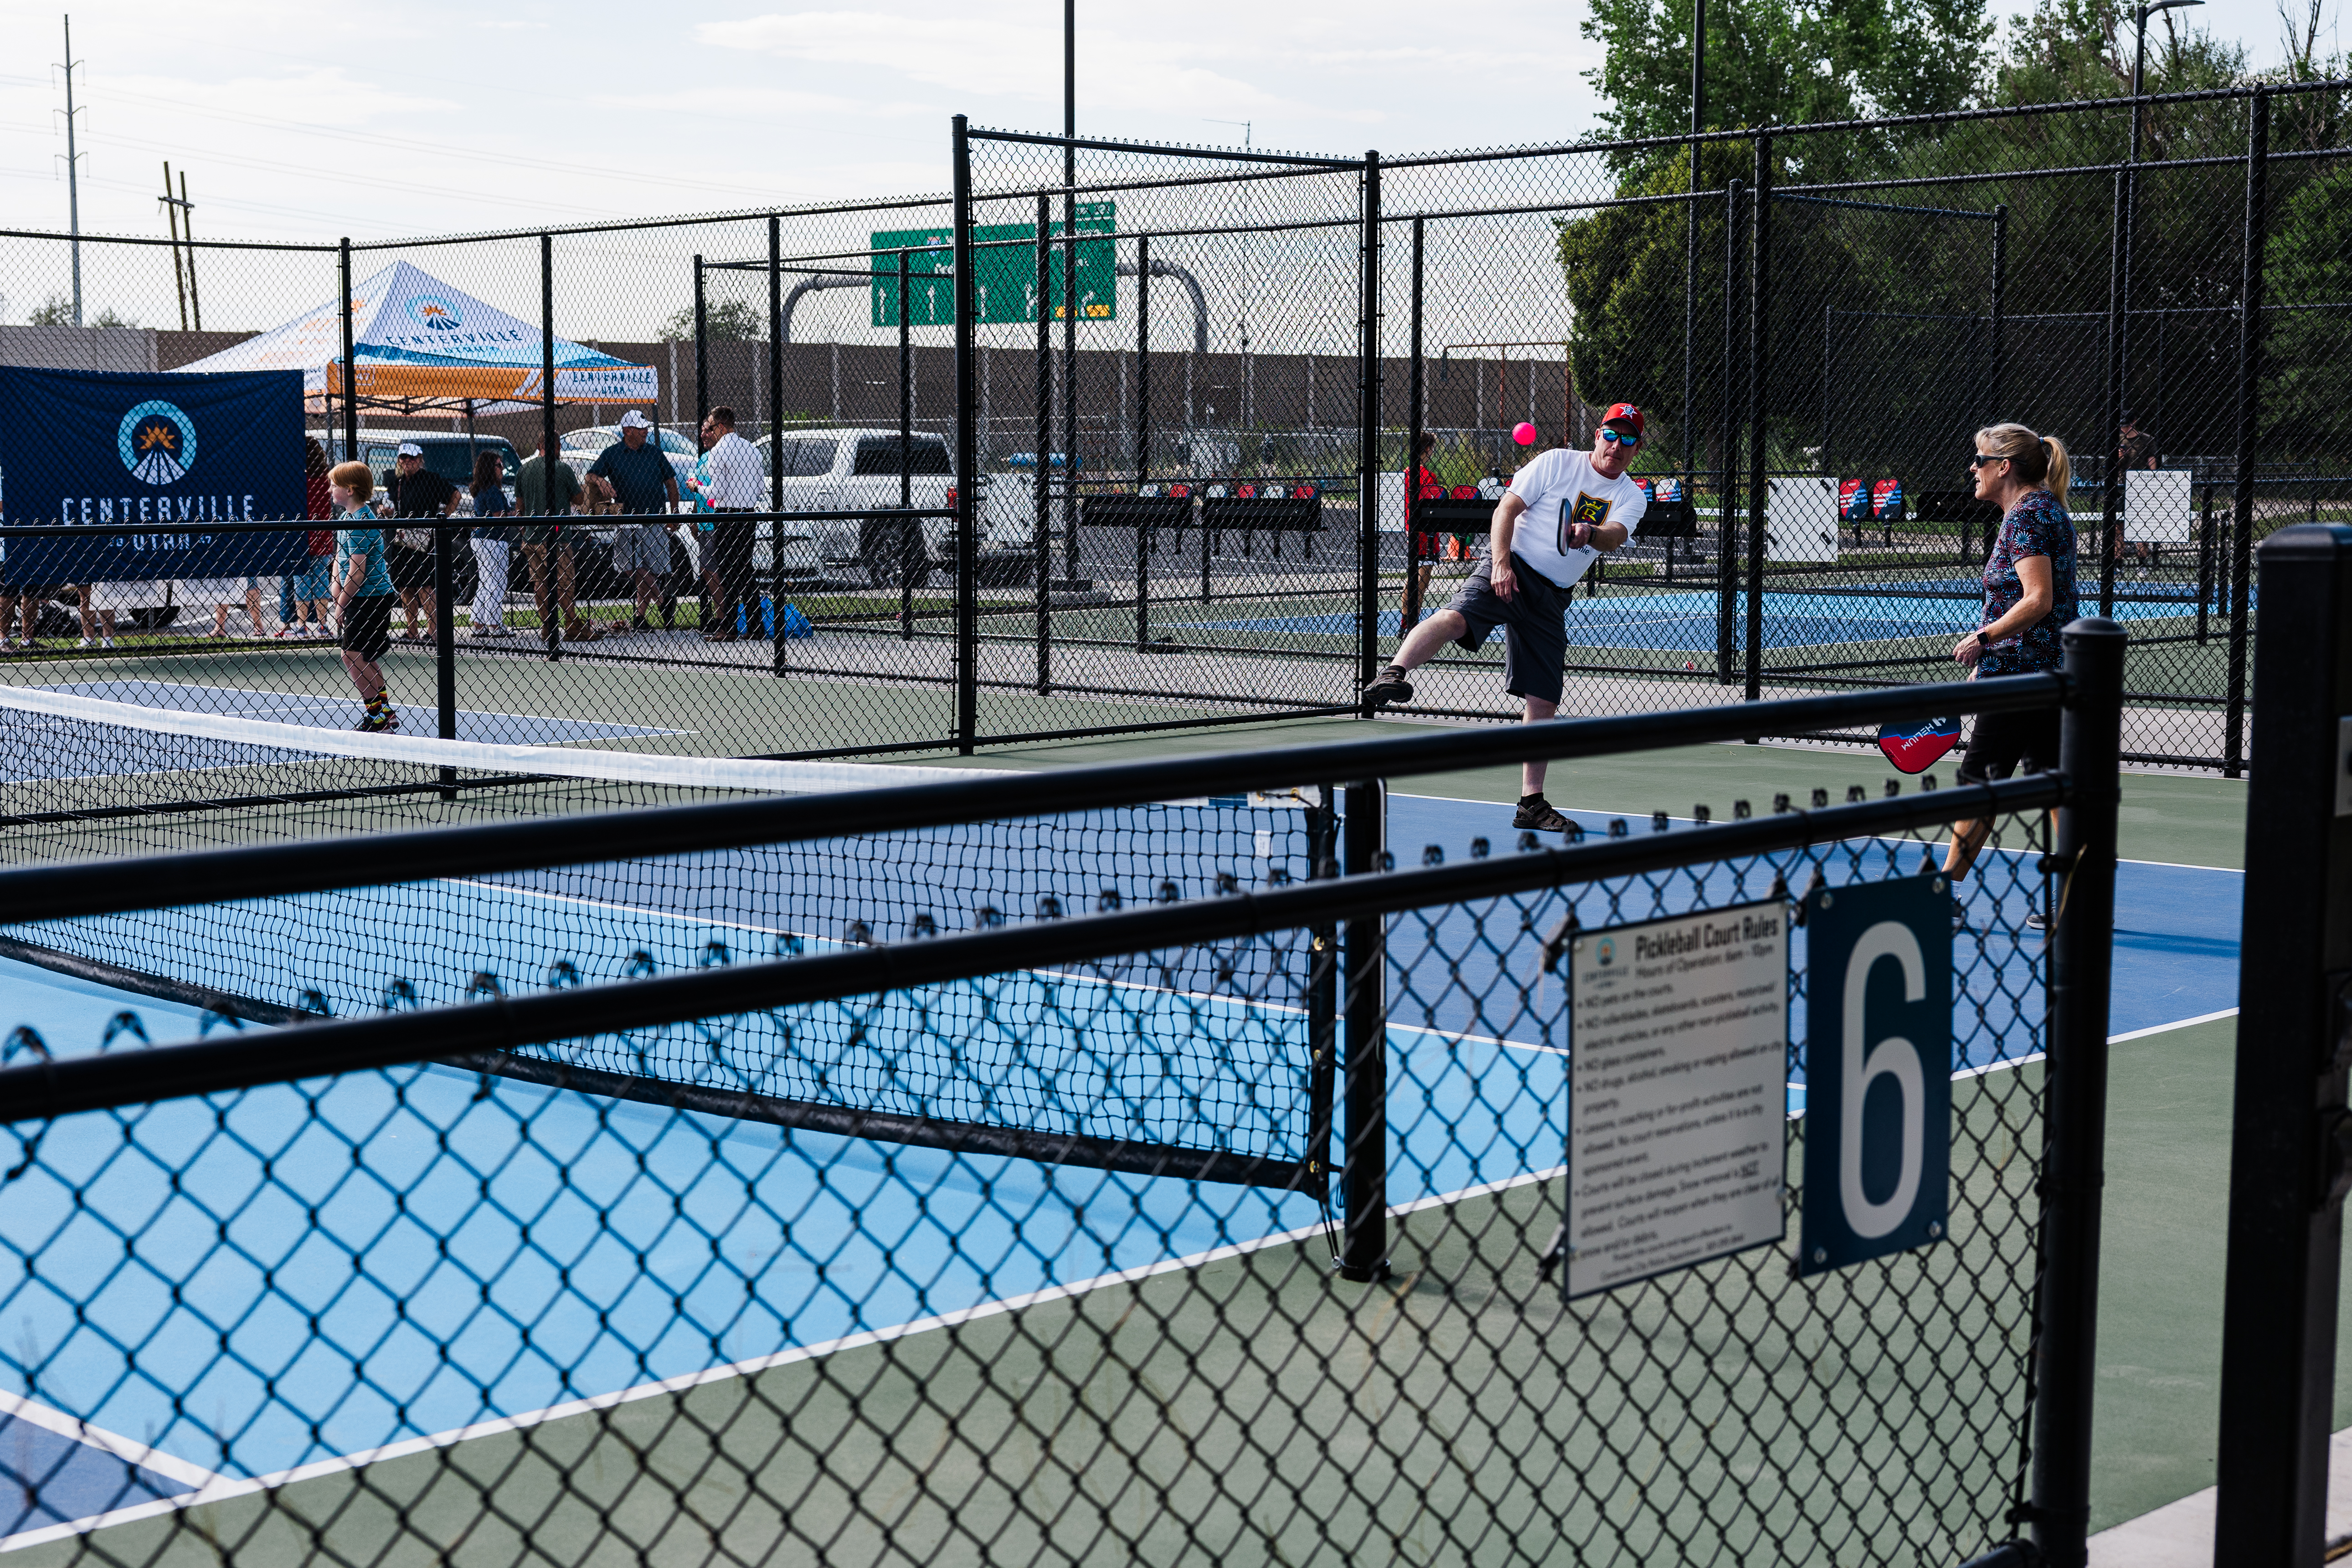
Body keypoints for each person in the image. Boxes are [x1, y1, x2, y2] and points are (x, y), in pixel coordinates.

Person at [1360, 402, 1652, 833]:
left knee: (1544, 700)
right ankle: (1393, 672)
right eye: (1611, 434)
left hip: (1551, 598)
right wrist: (1499, 563)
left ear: (1637, 447)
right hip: (1510, 566)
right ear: (1597, 435)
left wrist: (1591, 532)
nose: (1616, 445)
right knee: (1457, 617)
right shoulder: (1554, 462)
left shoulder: (1630, 495)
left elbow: (1616, 535)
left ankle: (1530, 805)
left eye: (1627, 439)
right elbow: (1505, 511)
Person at [1942, 422, 2079, 932]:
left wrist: (1984, 639)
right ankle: (2077, 894)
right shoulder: (2047, 511)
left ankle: (1941, 892)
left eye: (1979, 460)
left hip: (2020, 675)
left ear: (2004, 468)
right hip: (2047, 670)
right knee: (2054, 783)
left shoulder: (2025, 518)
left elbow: (2037, 599)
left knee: (1979, 781)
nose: (1971, 470)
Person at [585, 411, 682, 632]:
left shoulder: (655, 453)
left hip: (654, 518)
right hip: (626, 520)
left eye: (646, 428)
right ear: (627, 431)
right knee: (630, 566)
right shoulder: (612, 454)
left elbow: (671, 483)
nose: (646, 431)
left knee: (651, 568)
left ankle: (640, 616)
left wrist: (675, 513)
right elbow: (590, 476)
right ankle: (662, 601)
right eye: (641, 429)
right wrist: (601, 481)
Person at [328, 460, 400, 732]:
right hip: (360, 598)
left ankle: (377, 717)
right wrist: (336, 588)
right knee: (363, 657)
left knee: (352, 656)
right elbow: (340, 559)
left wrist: (340, 605)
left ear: (349, 490)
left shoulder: (362, 522)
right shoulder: (347, 519)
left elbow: (357, 572)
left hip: (371, 599)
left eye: (334, 485)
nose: (330, 490)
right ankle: (385, 713)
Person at [515, 435, 602, 647]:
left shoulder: (523, 470)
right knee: (565, 584)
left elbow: (520, 506)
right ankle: (572, 626)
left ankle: (548, 627)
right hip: (557, 537)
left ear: (538, 446)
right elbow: (579, 499)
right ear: (558, 447)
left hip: (532, 535)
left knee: (540, 583)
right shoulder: (562, 469)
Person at [693, 406, 764, 643]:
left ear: (721, 427)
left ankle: (729, 627)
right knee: (744, 569)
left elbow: (718, 491)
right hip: (749, 514)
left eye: (711, 427)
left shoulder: (718, 453)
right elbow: (760, 488)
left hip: (727, 515)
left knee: (728, 571)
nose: (709, 432)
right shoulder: (752, 450)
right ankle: (756, 626)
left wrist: (697, 488)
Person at [380, 442, 457, 643]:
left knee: (425, 586)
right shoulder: (398, 483)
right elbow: (393, 509)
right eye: (403, 458)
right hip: (403, 539)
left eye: (412, 458)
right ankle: (412, 630)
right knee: (405, 585)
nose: (407, 461)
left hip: (424, 540)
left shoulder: (431, 479)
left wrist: (443, 517)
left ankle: (434, 630)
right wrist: (388, 513)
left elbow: (455, 495)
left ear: (420, 460)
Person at [467, 451, 518, 638]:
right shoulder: (493, 490)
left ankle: (479, 623)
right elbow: (498, 516)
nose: (502, 469)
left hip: (480, 539)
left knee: (486, 582)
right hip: (493, 541)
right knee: (497, 582)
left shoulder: (481, 489)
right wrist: (513, 515)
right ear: (490, 468)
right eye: (499, 465)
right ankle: (495, 624)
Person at [1403, 432, 1446, 609]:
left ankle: (1407, 620)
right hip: (1426, 532)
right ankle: (1410, 620)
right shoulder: (1428, 476)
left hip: (1411, 528)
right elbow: (1433, 507)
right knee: (1422, 579)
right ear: (1428, 449)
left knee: (1413, 575)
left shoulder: (1406, 473)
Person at [2112, 411, 2160, 571]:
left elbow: (2152, 459)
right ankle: (2118, 563)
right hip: (2122, 486)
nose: (2124, 429)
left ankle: (2142, 563)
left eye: (2127, 425)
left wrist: (2153, 479)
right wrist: (2119, 457)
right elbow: (2113, 466)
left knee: (2142, 525)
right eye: (2122, 426)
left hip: (2142, 487)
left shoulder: (2146, 439)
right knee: (2119, 526)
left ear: (2134, 422)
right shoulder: (2117, 439)